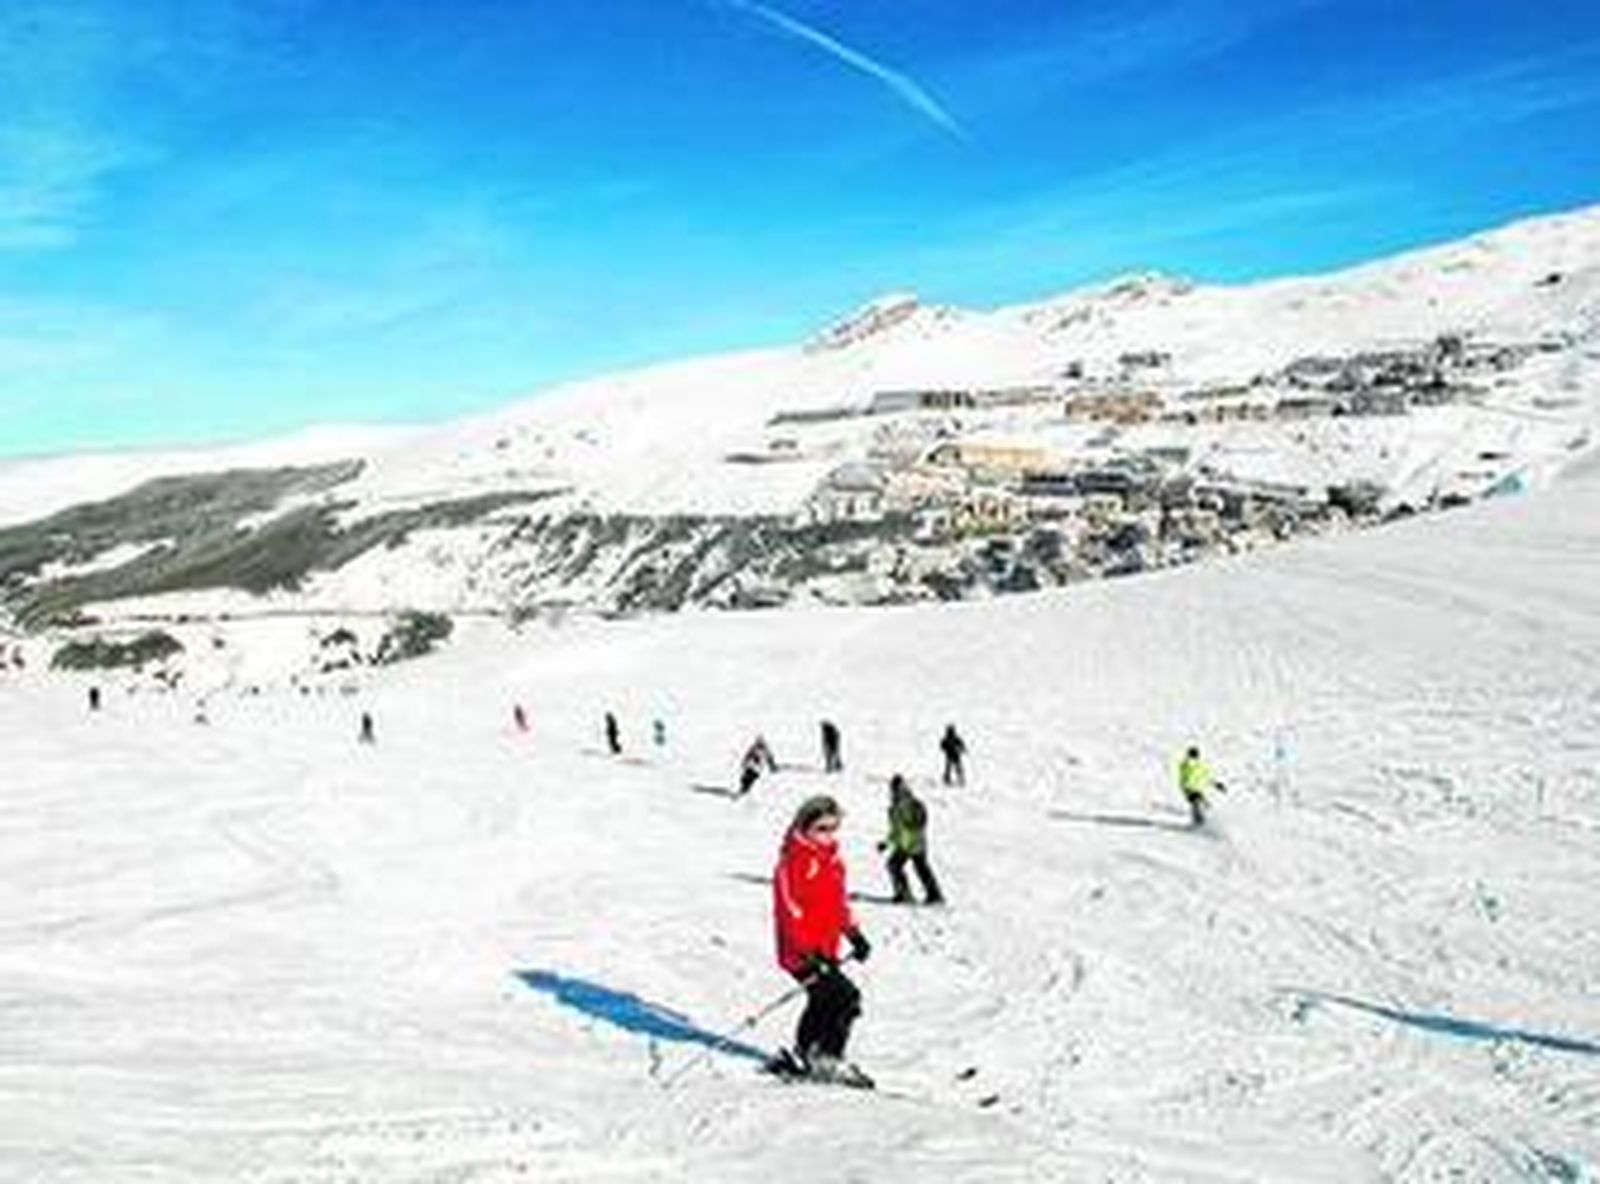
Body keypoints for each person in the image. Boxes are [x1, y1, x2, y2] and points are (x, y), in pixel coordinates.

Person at [772, 794, 873, 1086]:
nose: (828, 836)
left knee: (821, 1000)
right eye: (821, 829)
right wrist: (809, 953)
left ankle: (806, 1052)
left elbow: (837, 903)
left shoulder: (831, 861)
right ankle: (828, 1057)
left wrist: (853, 933)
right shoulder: (792, 861)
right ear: (804, 826)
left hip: (825, 950)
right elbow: (789, 912)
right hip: (800, 952)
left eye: (832, 829)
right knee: (845, 998)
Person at [879, 775, 944, 905]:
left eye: (897, 788)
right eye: (894, 788)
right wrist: (886, 843)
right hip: (911, 844)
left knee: (896, 865)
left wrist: (911, 836)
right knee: (919, 867)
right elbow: (897, 829)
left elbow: (916, 823)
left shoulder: (907, 804)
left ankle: (907, 893)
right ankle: (932, 894)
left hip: (910, 844)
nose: (895, 791)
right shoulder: (897, 806)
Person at [1178, 744, 1226, 827]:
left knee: (1205, 806)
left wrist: (1216, 784)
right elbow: (1183, 778)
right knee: (1197, 805)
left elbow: (1207, 777)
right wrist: (1186, 789)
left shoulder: (1200, 766)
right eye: (1191, 755)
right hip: (1190, 790)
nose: (1192, 757)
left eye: (1194, 755)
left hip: (1197, 790)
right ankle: (1199, 824)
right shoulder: (1185, 765)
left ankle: (1204, 823)